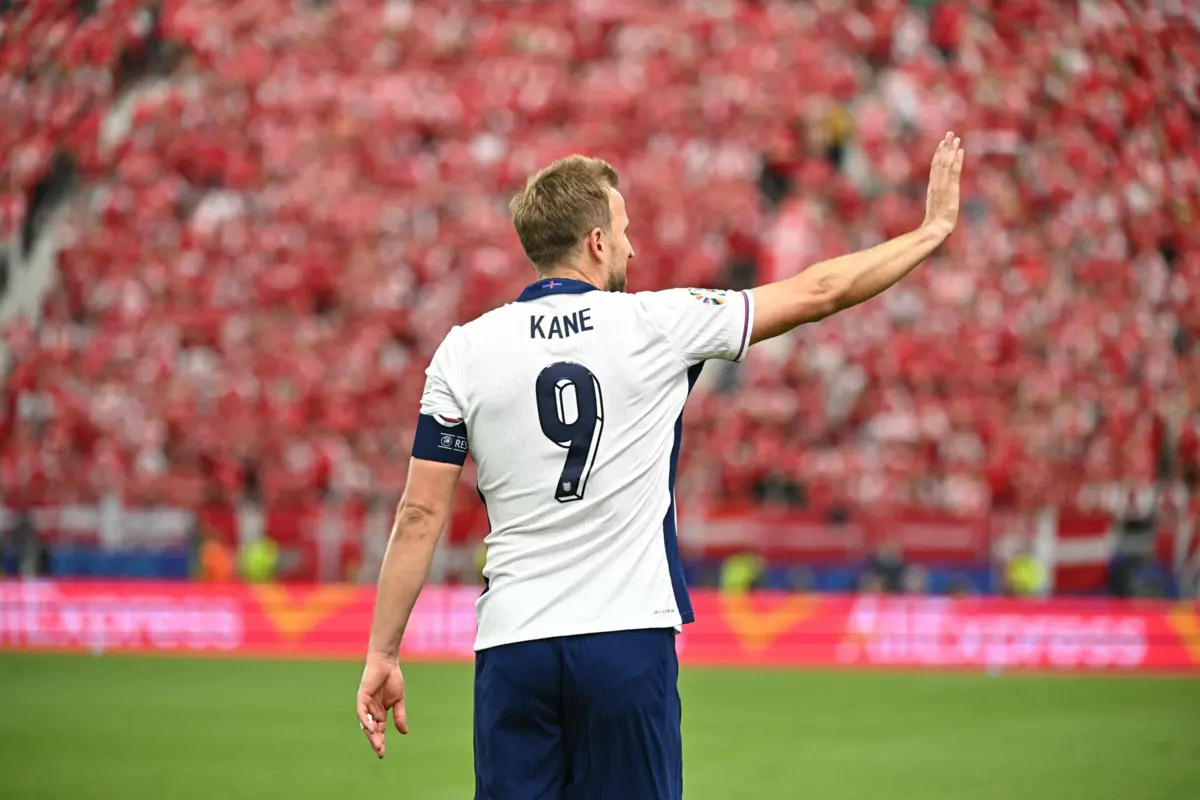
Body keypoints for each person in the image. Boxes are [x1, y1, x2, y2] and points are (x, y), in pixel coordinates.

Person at [356, 133, 966, 798]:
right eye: (623, 230)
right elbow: (818, 290)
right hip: (625, 638)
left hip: (515, 645)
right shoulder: (658, 321)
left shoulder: (462, 352)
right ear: (594, 242)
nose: (631, 247)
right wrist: (929, 230)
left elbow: (419, 514)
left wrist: (383, 652)